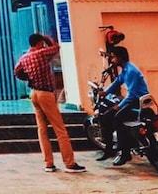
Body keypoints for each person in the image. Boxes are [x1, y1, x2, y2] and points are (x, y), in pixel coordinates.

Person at [14, 33, 86, 173]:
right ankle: (69, 163)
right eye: (42, 43)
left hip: (34, 93)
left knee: (42, 130)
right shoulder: (42, 53)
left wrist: (29, 78)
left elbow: (17, 72)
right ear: (39, 43)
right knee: (60, 129)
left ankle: (48, 163)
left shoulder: (24, 58)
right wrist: (45, 37)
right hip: (46, 94)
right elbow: (56, 47)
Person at [97, 45, 148, 165]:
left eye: (113, 57)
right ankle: (110, 149)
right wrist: (105, 92)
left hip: (137, 100)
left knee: (116, 117)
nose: (112, 60)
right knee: (108, 116)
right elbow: (117, 82)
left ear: (120, 58)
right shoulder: (125, 70)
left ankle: (125, 153)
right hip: (134, 99)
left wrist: (118, 106)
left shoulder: (130, 71)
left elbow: (132, 94)